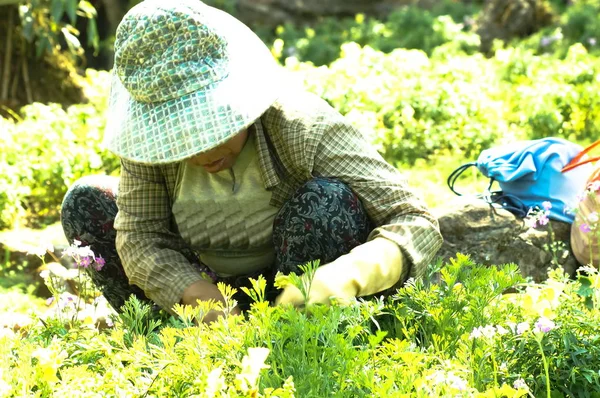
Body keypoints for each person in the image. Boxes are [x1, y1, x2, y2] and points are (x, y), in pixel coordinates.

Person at [60, 0, 443, 322]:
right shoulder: (146, 149)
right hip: (204, 286)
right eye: (177, 140)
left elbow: (414, 220)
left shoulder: (301, 127)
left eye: (212, 130)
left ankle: (302, 341)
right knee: (85, 200)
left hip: (296, 283)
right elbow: (140, 237)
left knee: (326, 200)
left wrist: (349, 276)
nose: (201, 153)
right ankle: (167, 345)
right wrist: (205, 303)